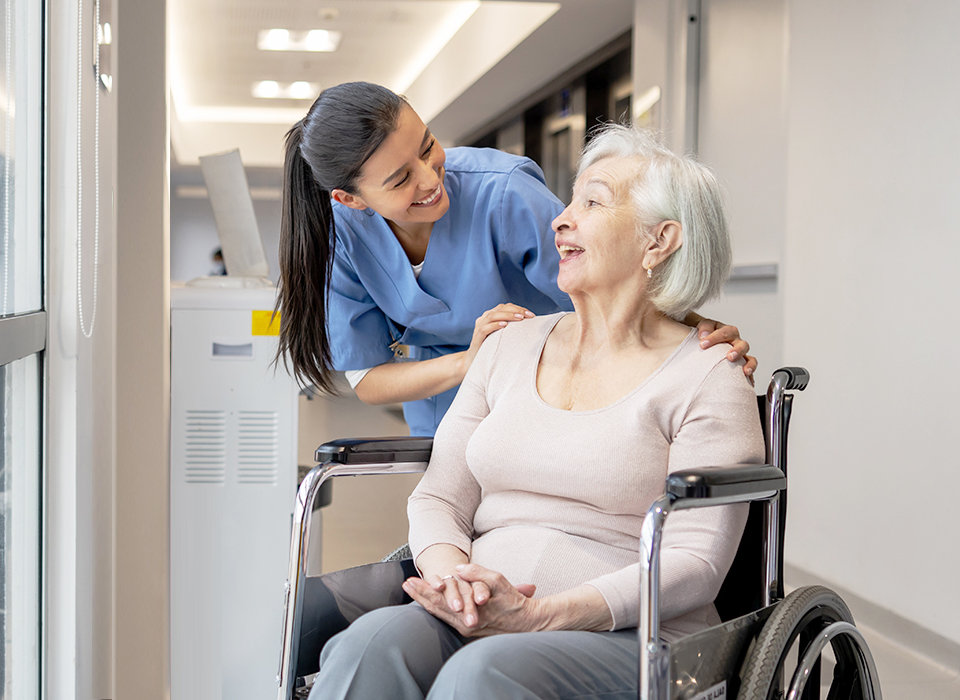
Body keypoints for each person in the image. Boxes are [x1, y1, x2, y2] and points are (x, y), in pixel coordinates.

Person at [308, 124, 764, 699]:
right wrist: (456, 583)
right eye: (569, 200)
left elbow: (696, 563)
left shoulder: (708, 374)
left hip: (631, 635)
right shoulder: (506, 345)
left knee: (485, 674)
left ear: (658, 241)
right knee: (367, 644)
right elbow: (440, 497)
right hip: (477, 610)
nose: (559, 219)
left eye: (591, 203)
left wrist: (542, 614)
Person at [275, 81, 754, 436]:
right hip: (445, 401)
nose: (429, 179)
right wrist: (472, 362)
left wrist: (691, 330)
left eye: (428, 147)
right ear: (351, 199)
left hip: (553, 377)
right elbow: (369, 378)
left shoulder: (502, 193)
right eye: (400, 179)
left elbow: (612, 278)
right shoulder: (342, 239)